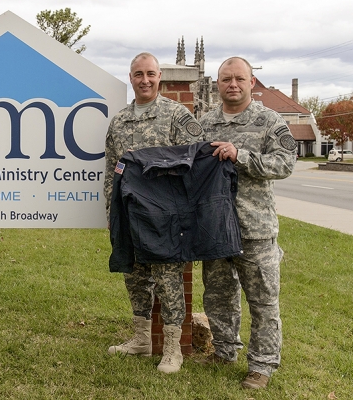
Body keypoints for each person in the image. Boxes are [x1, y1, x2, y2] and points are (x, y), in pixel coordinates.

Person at [199, 57, 296, 389]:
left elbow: (285, 163)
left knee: (263, 300)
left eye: (239, 78)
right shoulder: (206, 122)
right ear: (217, 84)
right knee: (218, 296)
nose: (233, 85)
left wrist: (241, 155)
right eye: (226, 79)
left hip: (254, 229)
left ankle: (262, 366)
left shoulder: (269, 121)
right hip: (215, 228)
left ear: (252, 83)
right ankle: (224, 351)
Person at [104, 52, 204, 373]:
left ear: (159, 76)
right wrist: (111, 211)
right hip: (130, 215)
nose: (144, 80)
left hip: (166, 217)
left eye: (150, 74)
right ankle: (142, 340)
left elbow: (196, 161)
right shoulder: (119, 121)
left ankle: (173, 350)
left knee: (167, 280)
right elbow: (111, 171)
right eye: (138, 74)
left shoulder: (177, 115)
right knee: (134, 277)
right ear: (130, 78)